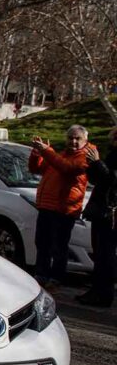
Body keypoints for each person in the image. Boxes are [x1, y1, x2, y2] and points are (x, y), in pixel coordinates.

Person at [29, 125, 95, 290]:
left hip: (64, 209)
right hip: (47, 206)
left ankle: (56, 278)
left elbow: (67, 168)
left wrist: (47, 151)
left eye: (77, 138)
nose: (73, 141)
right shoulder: (61, 155)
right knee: (42, 243)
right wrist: (37, 153)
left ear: (85, 140)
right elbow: (36, 169)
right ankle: (41, 274)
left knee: (59, 246)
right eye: (70, 138)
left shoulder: (86, 157)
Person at [78, 127, 117, 307]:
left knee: (105, 254)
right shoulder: (113, 154)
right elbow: (99, 180)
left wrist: (98, 163)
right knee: (101, 253)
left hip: (109, 212)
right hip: (103, 210)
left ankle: (102, 293)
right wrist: (93, 165)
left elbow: (111, 179)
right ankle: (98, 290)